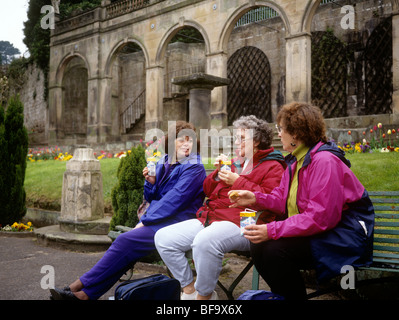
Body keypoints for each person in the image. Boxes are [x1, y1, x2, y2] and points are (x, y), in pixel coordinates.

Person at [229, 102, 375, 300]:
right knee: (259, 244)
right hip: (320, 233)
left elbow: (321, 218)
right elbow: (281, 200)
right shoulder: (295, 161)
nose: (278, 134)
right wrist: (255, 198)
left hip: (342, 236)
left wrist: (271, 230)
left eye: (281, 129)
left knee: (274, 249)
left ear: (295, 134)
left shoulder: (324, 162)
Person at [50, 121, 207, 300]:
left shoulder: (194, 167)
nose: (187, 144)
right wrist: (150, 181)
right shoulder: (166, 162)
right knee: (126, 244)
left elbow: (174, 201)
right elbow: (151, 198)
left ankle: (78, 289)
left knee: (125, 241)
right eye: (181, 140)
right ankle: (83, 293)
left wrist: (144, 221)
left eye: (190, 140)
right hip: (160, 220)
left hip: (178, 223)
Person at [155, 115, 286, 300]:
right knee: (163, 238)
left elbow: (272, 201)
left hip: (245, 223)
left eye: (241, 138)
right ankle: (189, 290)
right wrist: (217, 174)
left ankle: (205, 297)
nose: (236, 142)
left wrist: (238, 181)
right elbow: (207, 190)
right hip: (213, 218)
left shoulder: (273, 166)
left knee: (205, 242)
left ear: (256, 141)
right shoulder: (236, 162)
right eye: (235, 137)